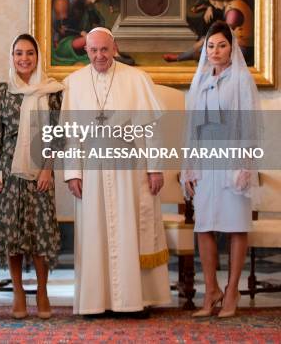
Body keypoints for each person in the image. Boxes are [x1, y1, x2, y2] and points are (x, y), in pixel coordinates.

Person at [62, 27, 171, 315]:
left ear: (115, 48)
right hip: (91, 169)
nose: (99, 55)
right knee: (94, 232)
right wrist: (73, 172)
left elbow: (151, 129)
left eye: (104, 49)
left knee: (130, 228)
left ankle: (134, 301)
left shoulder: (137, 79)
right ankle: (96, 302)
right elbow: (70, 133)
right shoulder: (73, 83)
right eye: (93, 50)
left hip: (130, 168)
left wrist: (155, 168)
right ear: (86, 51)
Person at [182, 21, 260, 318]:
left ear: (232, 48)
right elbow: (191, 127)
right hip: (205, 160)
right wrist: (188, 167)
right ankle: (211, 289)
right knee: (204, 226)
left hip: (233, 158)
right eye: (210, 46)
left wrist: (246, 164)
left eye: (221, 45)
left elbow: (250, 125)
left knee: (236, 225)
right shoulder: (199, 80)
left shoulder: (241, 80)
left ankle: (232, 290)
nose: (215, 51)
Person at [0, 34, 63, 319]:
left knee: (40, 235)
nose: (24, 59)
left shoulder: (52, 92)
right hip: (8, 173)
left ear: (37, 56)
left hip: (40, 172)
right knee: (13, 236)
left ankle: (42, 291)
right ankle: (18, 292)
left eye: (29, 53)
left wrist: (47, 168)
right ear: (12, 56)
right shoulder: (2, 92)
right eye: (18, 53)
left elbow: (55, 135)